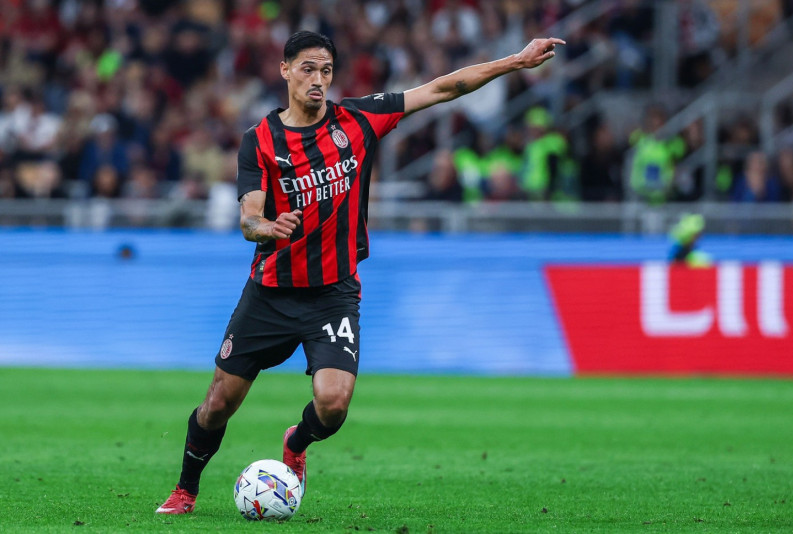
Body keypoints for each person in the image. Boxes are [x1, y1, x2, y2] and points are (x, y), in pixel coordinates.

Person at [155, 30, 565, 515]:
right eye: (308, 68)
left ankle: (296, 441)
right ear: (285, 70)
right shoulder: (259, 140)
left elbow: (441, 88)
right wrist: (267, 226)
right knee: (218, 404)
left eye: (326, 70)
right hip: (270, 293)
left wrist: (514, 62)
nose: (318, 79)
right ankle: (185, 489)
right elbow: (248, 218)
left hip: (333, 293)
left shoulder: (358, 119)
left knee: (333, 406)